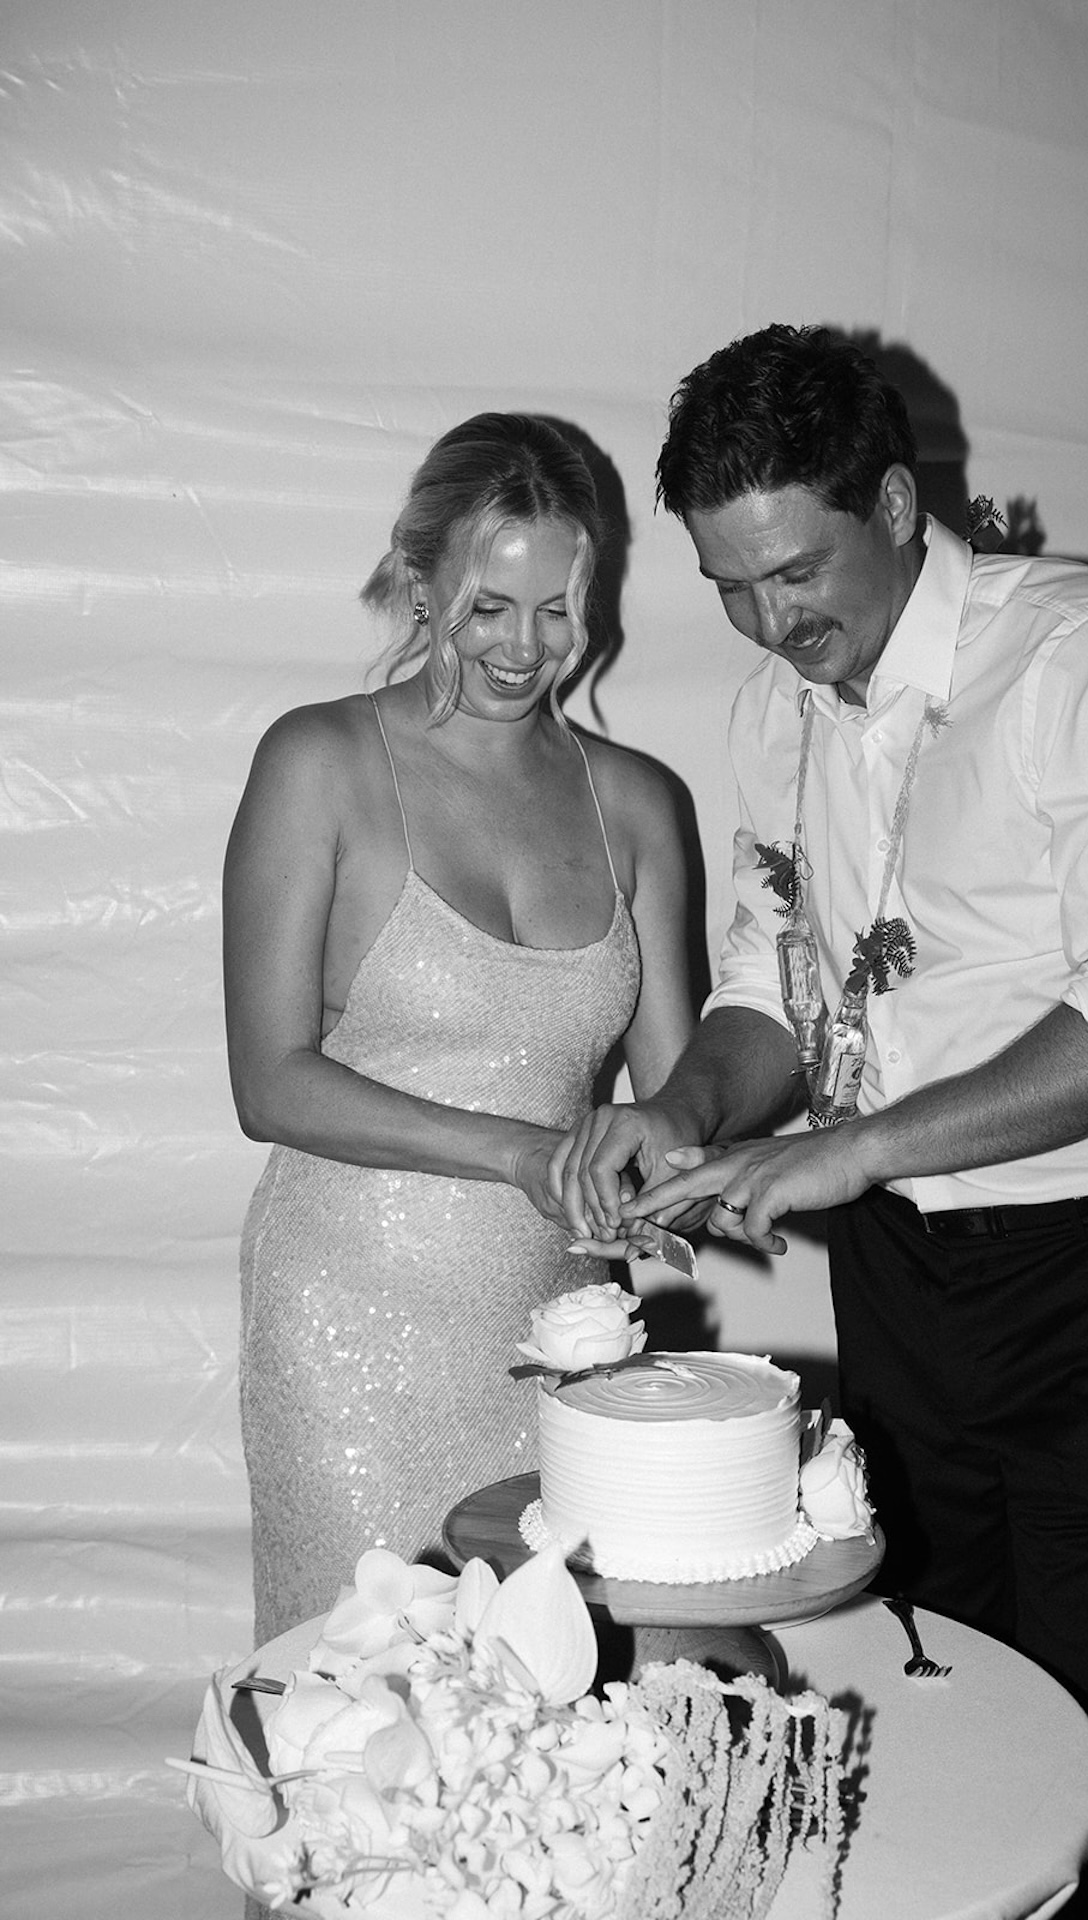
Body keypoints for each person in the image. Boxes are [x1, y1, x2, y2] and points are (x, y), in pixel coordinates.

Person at [561, 326, 1088, 1918]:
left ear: (891, 500)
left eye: (794, 572)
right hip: (906, 1289)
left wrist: (854, 1144)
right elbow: (772, 988)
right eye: (728, 587)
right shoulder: (770, 714)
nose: (768, 623)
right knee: (946, 1711)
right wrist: (682, 1109)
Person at [224, 412, 693, 1646]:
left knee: (550, 1707)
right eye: (490, 604)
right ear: (419, 577)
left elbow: (678, 1095)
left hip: (559, 1332)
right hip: (350, 1326)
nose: (524, 647)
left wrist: (677, 1169)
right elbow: (270, 1084)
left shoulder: (638, 802)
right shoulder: (318, 761)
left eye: (556, 609)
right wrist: (522, 1153)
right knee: (365, 1711)